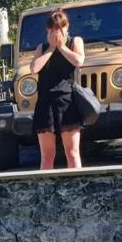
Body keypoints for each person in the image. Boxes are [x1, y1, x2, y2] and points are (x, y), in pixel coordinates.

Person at [30, 9, 86, 170]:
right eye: (52, 29)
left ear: (66, 27)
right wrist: (51, 49)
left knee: (72, 152)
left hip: (67, 101)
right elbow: (34, 68)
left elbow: (79, 60)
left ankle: (77, 187)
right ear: (47, 30)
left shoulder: (75, 41)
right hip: (46, 102)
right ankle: (46, 191)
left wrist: (62, 47)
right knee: (47, 155)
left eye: (59, 28)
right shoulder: (42, 47)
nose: (56, 32)